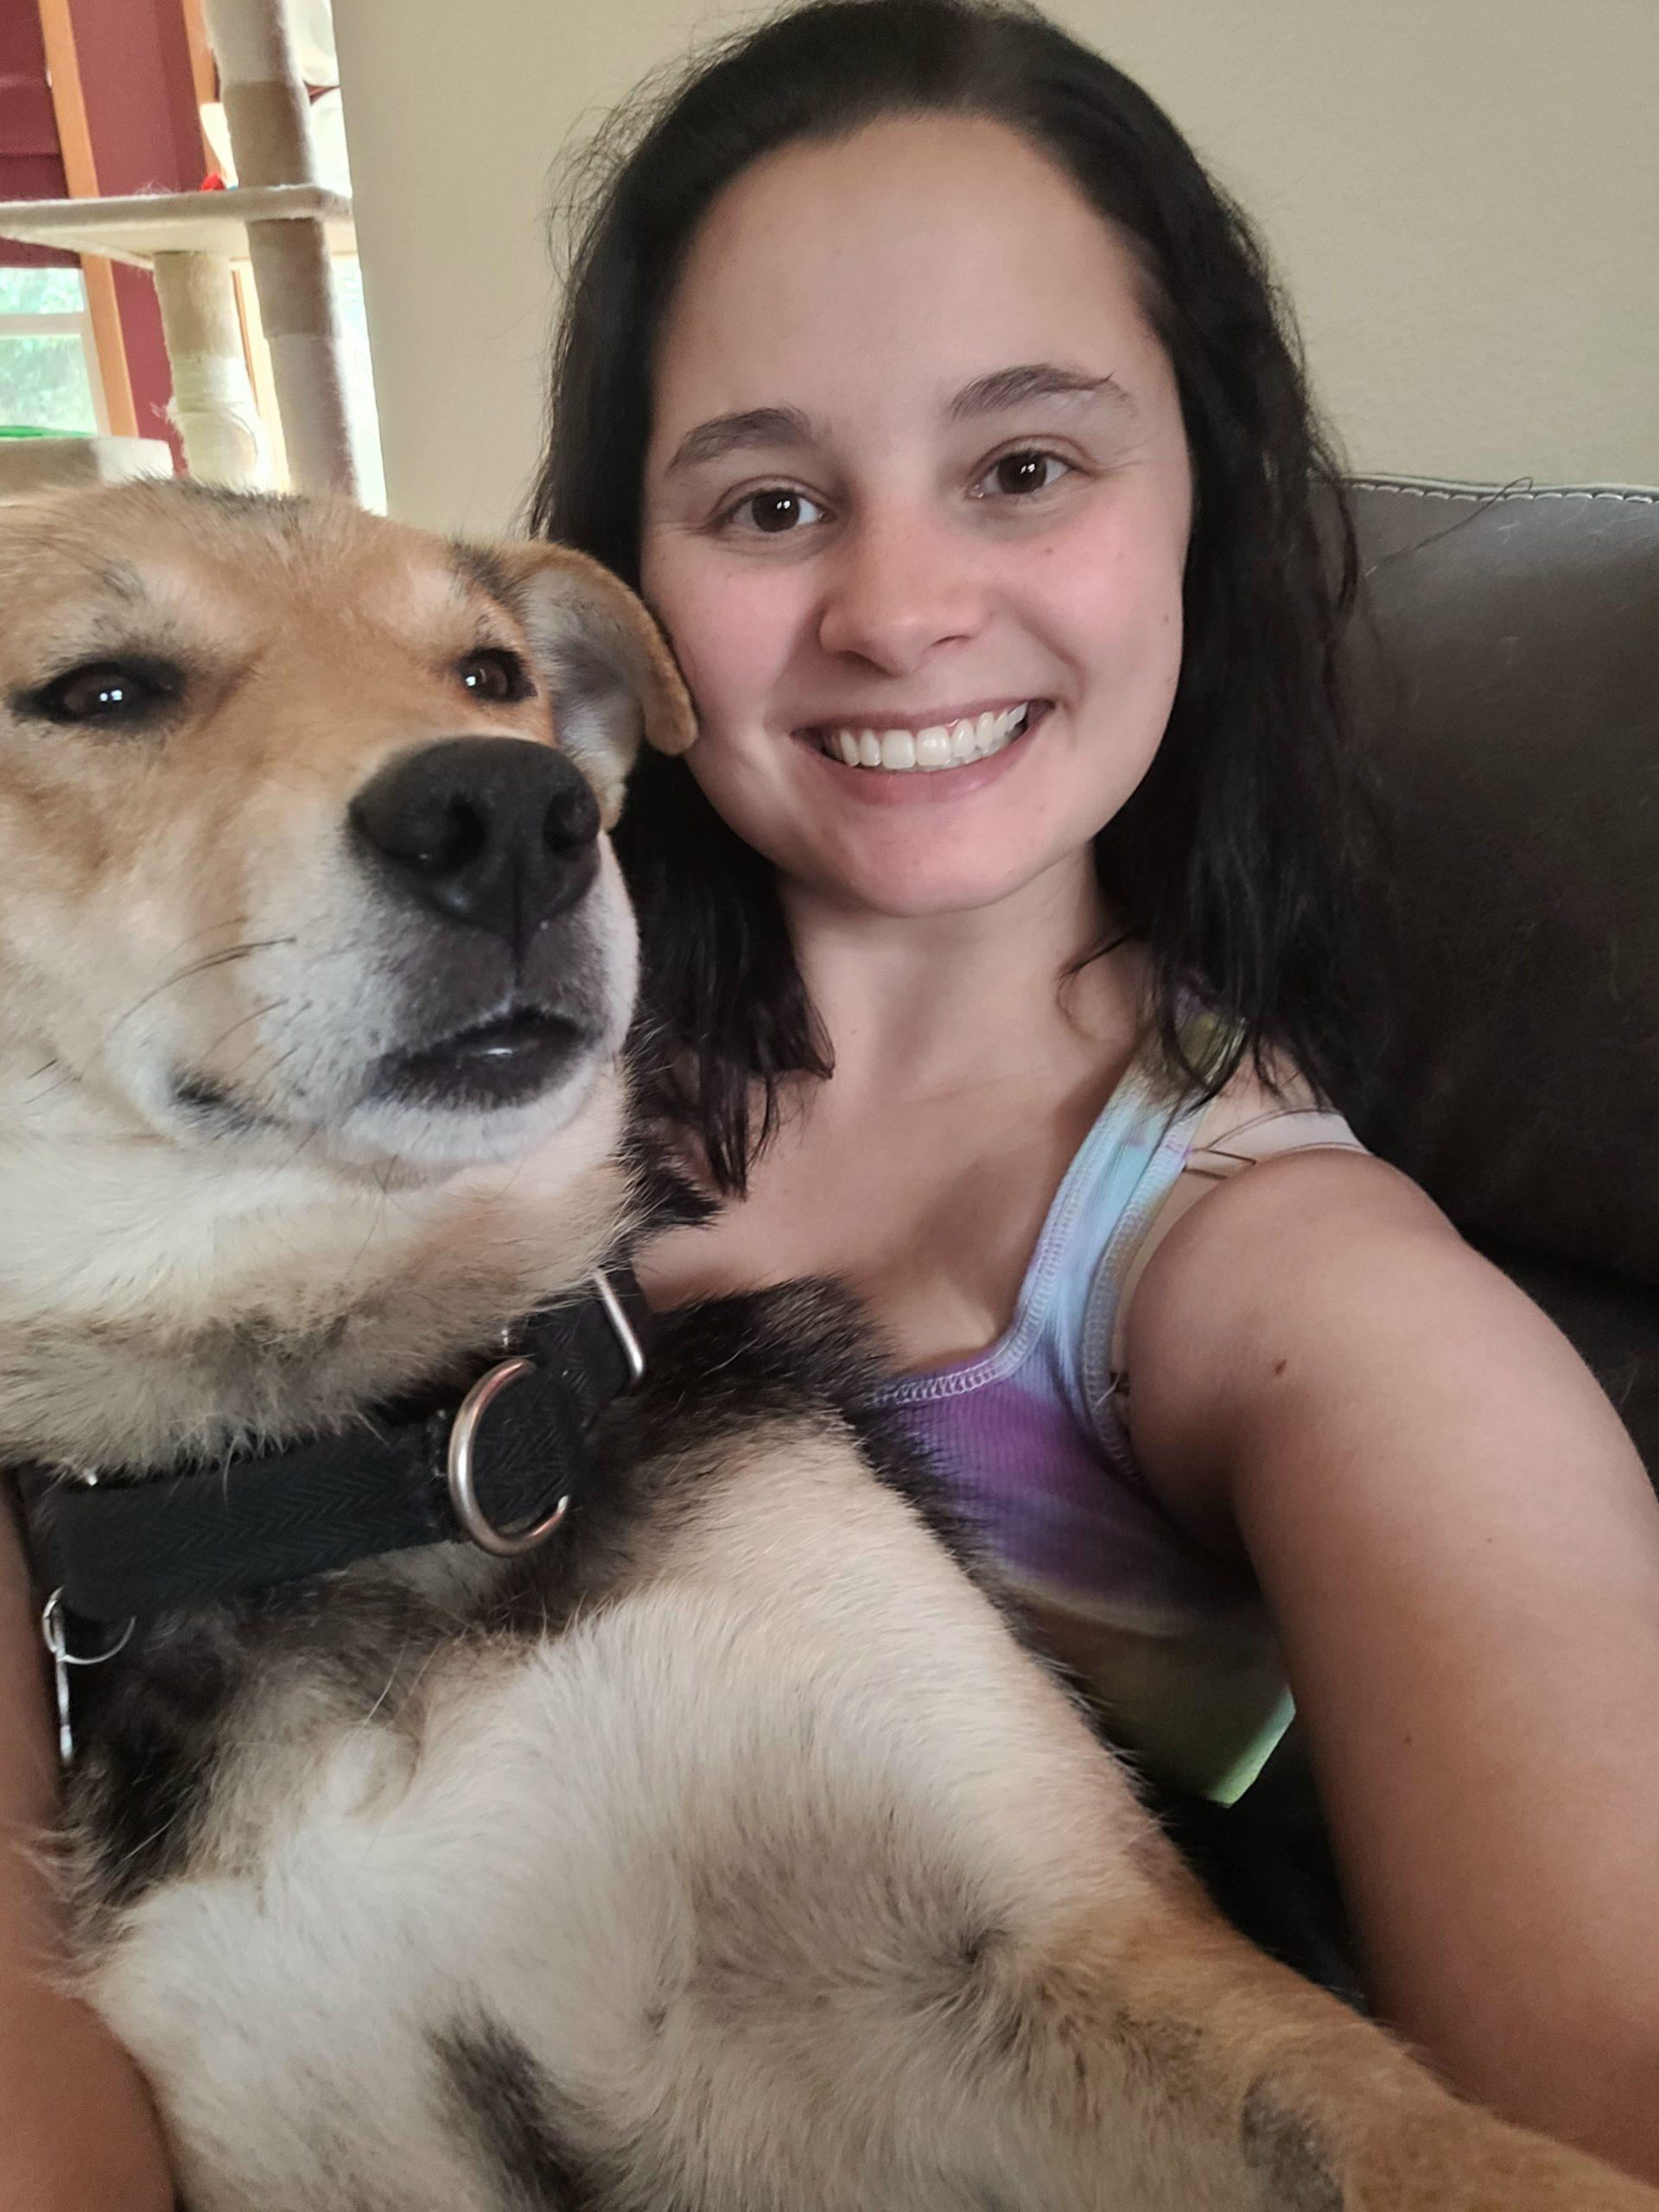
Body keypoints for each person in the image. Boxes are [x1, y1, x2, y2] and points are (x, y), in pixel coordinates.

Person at [0, 3, 1654, 2203]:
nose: (901, 607)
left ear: (1203, 500)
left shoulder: (1306, 1286)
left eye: (1026, 466)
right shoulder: (387, 1122)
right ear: (639, 603)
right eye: (773, 499)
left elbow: (1581, 2105)